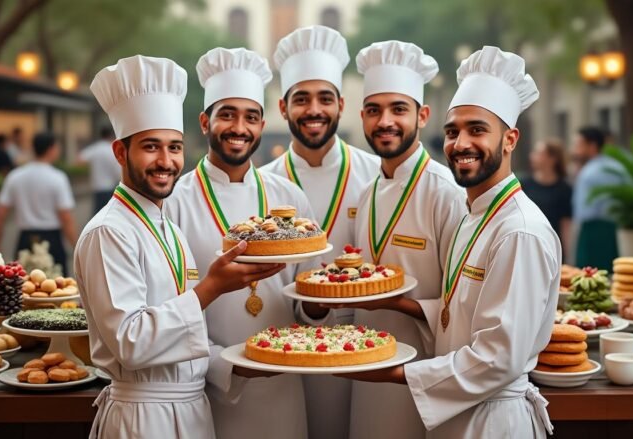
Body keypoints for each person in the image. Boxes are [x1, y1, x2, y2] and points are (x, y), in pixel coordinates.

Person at [336, 45, 560, 439]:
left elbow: (498, 358)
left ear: (510, 140)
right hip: (458, 413)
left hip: (493, 419)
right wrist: (389, 301)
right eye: (453, 131)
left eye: (477, 130)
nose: (460, 144)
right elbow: (457, 311)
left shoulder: (520, 230)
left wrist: (399, 372)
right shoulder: (476, 217)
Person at [77, 54, 285, 439]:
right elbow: (130, 341)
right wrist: (211, 288)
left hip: (190, 408)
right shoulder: (109, 232)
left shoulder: (164, 224)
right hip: (143, 417)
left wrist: (236, 366)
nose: (166, 161)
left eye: (174, 148)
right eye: (150, 147)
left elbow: (184, 335)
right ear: (121, 153)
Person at [163, 47, 314, 439]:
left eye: (250, 117)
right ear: (204, 121)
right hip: (209, 387)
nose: (239, 128)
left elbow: (306, 292)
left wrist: (318, 307)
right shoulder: (174, 203)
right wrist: (226, 366)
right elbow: (168, 308)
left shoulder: (289, 199)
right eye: (227, 114)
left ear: (263, 125)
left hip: (284, 381)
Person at [334, 40, 467, 439]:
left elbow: (459, 305)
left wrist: (399, 304)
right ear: (362, 118)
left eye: (399, 109)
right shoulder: (367, 192)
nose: (385, 121)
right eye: (374, 111)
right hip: (366, 371)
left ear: (423, 115)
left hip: (421, 373)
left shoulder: (446, 192)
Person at [259, 25, 380, 439]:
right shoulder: (263, 185)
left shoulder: (377, 176)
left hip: (365, 349)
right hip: (286, 350)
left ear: (341, 105)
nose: (314, 110)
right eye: (302, 99)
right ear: (283, 106)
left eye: (325, 98)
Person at [0, 132, 77, 273]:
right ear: (51, 149)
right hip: (52, 240)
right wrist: (76, 246)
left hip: (25, 240)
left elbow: (1, 214)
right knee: (55, 288)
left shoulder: (15, 176)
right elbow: (66, 218)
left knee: (22, 288)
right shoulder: (58, 178)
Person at [571, 126, 620, 270]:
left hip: (592, 233)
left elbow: (582, 212)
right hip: (612, 231)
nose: (575, 150)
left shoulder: (589, 172)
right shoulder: (617, 168)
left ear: (592, 146)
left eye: (579, 145)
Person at [522, 138, 572, 260]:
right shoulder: (524, 184)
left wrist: (567, 255)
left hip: (552, 247)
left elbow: (566, 225)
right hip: (528, 245)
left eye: (538, 153)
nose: (532, 156)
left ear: (552, 159)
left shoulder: (564, 188)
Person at [77, 126, 120, 214]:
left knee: (97, 213)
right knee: (109, 213)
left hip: (96, 187)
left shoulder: (95, 148)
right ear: (112, 135)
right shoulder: (112, 149)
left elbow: (79, 159)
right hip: (110, 186)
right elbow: (118, 171)